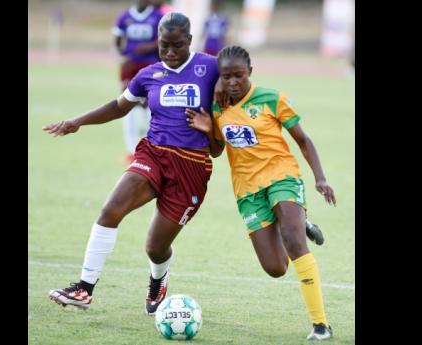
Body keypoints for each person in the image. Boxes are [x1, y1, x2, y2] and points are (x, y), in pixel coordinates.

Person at [44, 12, 220, 315]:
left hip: (191, 168)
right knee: (111, 210)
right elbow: (117, 107)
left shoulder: (210, 68)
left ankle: (158, 279)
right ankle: (84, 289)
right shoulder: (148, 74)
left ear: (190, 41)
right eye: (164, 46)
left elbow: (234, 104)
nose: (170, 53)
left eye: (177, 46)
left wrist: (215, 129)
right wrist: (78, 122)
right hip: (153, 154)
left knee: (155, 247)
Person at [185, 45, 336, 341]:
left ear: (250, 72)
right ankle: (297, 223)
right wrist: (207, 129)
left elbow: (304, 141)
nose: (232, 82)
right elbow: (217, 151)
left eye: (238, 75)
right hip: (247, 190)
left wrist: (320, 178)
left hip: (282, 175)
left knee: (293, 243)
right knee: (275, 268)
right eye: (226, 76)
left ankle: (321, 325)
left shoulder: (271, 98)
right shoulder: (217, 107)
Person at [112, 0, 163, 163]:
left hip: (150, 65)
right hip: (130, 66)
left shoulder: (157, 16)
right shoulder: (125, 16)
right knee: (125, 102)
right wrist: (122, 57)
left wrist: (148, 47)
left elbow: (163, 40)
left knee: (150, 103)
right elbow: (117, 40)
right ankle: (130, 150)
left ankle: (151, 146)